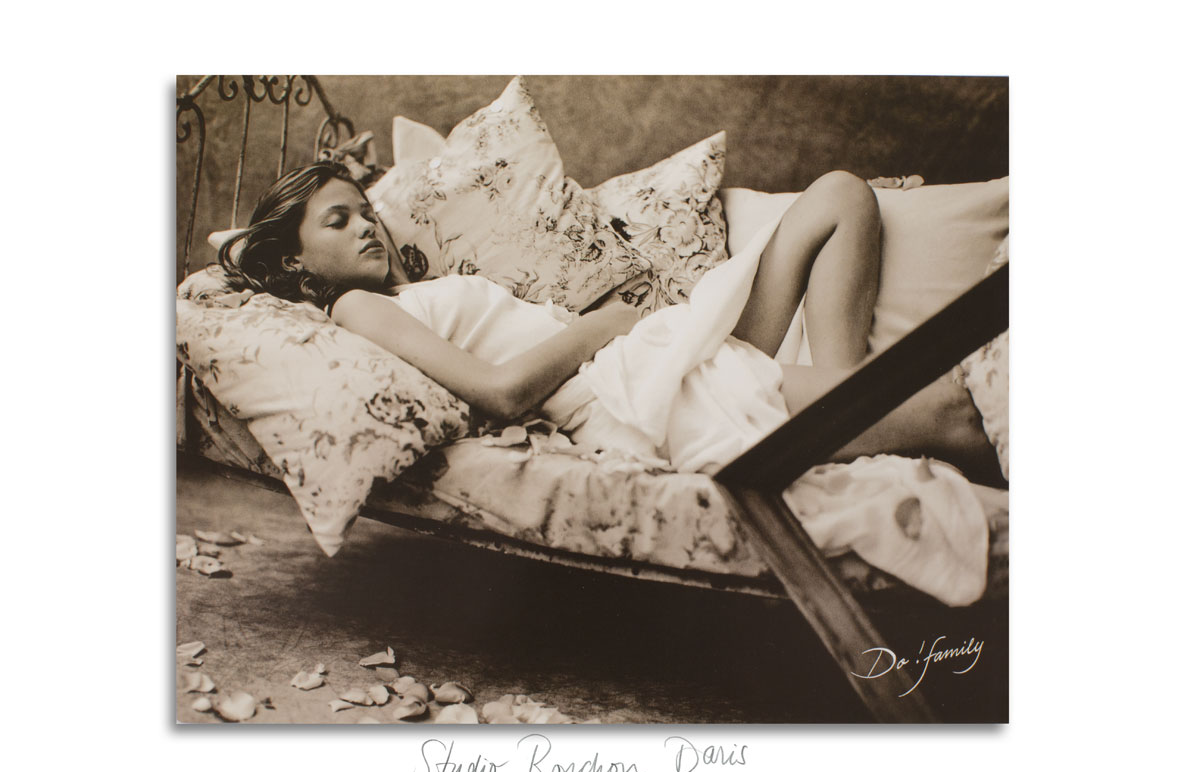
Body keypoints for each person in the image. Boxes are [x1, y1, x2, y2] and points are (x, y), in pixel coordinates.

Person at [222, 162, 1002, 484]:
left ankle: (844, 397)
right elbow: (501, 393)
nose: (368, 226)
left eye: (366, 211)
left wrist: (625, 329)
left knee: (840, 195)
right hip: (624, 393)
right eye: (339, 221)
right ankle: (856, 409)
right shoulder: (356, 308)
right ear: (295, 263)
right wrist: (605, 326)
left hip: (651, 359)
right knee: (951, 410)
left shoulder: (410, 291)